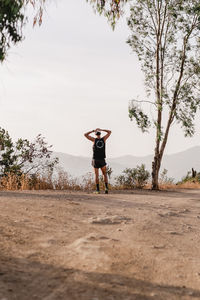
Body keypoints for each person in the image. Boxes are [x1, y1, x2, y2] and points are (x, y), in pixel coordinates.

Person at [84, 128, 111, 194]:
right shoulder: (104, 139)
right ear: (100, 134)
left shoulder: (94, 140)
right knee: (104, 174)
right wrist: (101, 129)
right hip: (102, 159)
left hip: (95, 159)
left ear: (95, 134)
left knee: (96, 175)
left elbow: (85, 134)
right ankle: (106, 188)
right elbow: (109, 132)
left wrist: (93, 130)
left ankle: (98, 190)